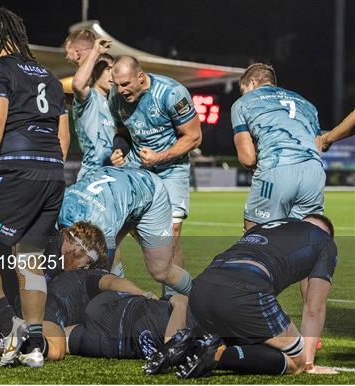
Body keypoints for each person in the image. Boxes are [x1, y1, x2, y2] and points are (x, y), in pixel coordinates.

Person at [0, 8, 70, 368]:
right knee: (30, 258)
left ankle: (10, 327)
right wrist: (48, 170)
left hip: (16, 169)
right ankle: (34, 347)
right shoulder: (51, 77)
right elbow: (62, 134)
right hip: (53, 171)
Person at [181, 215, 337, 378]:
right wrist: (308, 364)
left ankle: (188, 346)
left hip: (200, 288)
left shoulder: (268, 227)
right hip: (245, 292)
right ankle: (214, 357)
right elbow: (315, 308)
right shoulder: (325, 241)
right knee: (297, 361)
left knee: (248, 339)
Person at [109, 55, 202, 284]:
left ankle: (176, 299)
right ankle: (115, 292)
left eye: (125, 84)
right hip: (137, 168)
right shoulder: (115, 97)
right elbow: (122, 132)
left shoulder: (171, 93)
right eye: (116, 84)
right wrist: (119, 149)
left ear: (140, 77)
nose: (120, 90)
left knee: (172, 235)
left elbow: (194, 136)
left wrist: (160, 156)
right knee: (113, 230)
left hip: (172, 169)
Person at [57, 166, 193, 296]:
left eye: (83, 266)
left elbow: (103, 277)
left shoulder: (104, 231)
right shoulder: (56, 213)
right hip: (114, 192)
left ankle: (198, 298)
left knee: (161, 270)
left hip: (148, 190)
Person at [231, 63, 325, 231]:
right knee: (303, 239)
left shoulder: (243, 103)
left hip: (276, 169)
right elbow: (318, 147)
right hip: (314, 173)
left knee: (257, 238)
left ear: (252, 82)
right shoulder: (306, 103)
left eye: (243, 89)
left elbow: (248, 158)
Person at [64, 29, 116, 180]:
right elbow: (78, 84)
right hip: (93, 176)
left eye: (113, 69)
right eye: (107, 69)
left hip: (115, 175)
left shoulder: (115, 103)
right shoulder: (89, 98)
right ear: (95, 72)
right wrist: (95, 51)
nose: (112, 74)